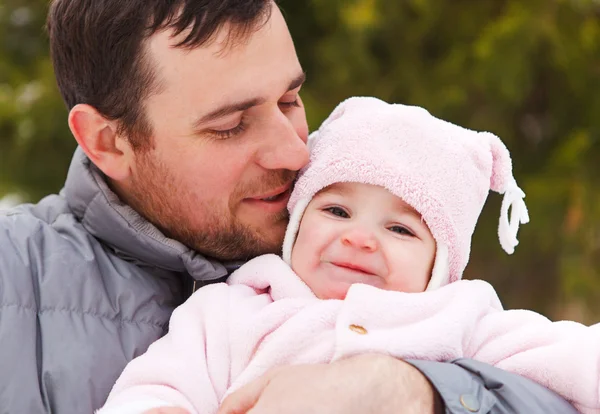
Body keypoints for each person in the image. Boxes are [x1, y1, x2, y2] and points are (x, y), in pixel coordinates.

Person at [0, 1, 578, 413]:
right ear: (108, 141)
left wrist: (417, 391)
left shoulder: (405, 271)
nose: (294, 149)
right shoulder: (15, 281)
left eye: (290, 99)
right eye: (230, 125)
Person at [96, 97, 598, 414]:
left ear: (440, 264)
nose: (360, 238)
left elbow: (574, 359)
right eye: (336, 210)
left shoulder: (460, 317)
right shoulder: (232, 310)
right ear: (296, 220)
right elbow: (157, 383)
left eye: (400, 228)